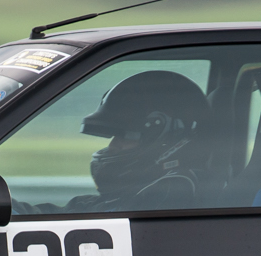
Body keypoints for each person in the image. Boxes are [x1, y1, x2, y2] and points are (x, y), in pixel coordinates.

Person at [54, 69, 212, 212]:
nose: (112, 146)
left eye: (126, 136)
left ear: (167, 140)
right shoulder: (141, 192)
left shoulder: (171, 192)